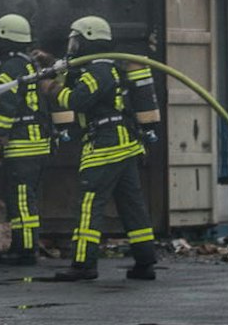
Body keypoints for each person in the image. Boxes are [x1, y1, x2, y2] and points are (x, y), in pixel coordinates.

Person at [50, 15, 159, 282]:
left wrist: (52, 89)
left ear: (88, 40)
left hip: (106, 146)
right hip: (124, 144)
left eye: (76, 41)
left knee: (89, 203)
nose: (73, 47)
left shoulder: (97, 71)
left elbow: (77, 100)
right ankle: (145, 263)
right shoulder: (109, 67)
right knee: (132, 206)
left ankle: (83, 264)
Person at [0, 13, 52, 266]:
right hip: (36, 143)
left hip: (23, 145)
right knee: (26, 198)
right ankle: (23, 246)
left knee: (21, 200)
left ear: (5, 38)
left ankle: (24, 250)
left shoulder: (11, 67)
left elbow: (6, 109)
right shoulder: (28, 63)